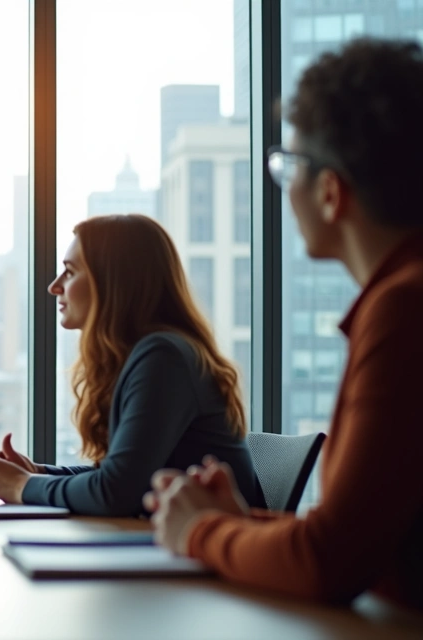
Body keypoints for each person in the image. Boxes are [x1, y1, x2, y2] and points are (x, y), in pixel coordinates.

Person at [147, 38, 423, 609]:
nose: (283, 186)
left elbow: (328, 562)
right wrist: (240, 523)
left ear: (329, 191)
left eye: (287, 164)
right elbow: (366, 541)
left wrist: (198, 532)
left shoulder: (403, 311)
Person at [0, 214, 265, 517]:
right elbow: (118, 476)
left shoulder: (163, 358)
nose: (54, 287)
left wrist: (22, 486)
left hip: (208, 557)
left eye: (70, 273)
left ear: (113, 283)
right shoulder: (153, 354)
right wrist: (38, 474)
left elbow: (115, 491)